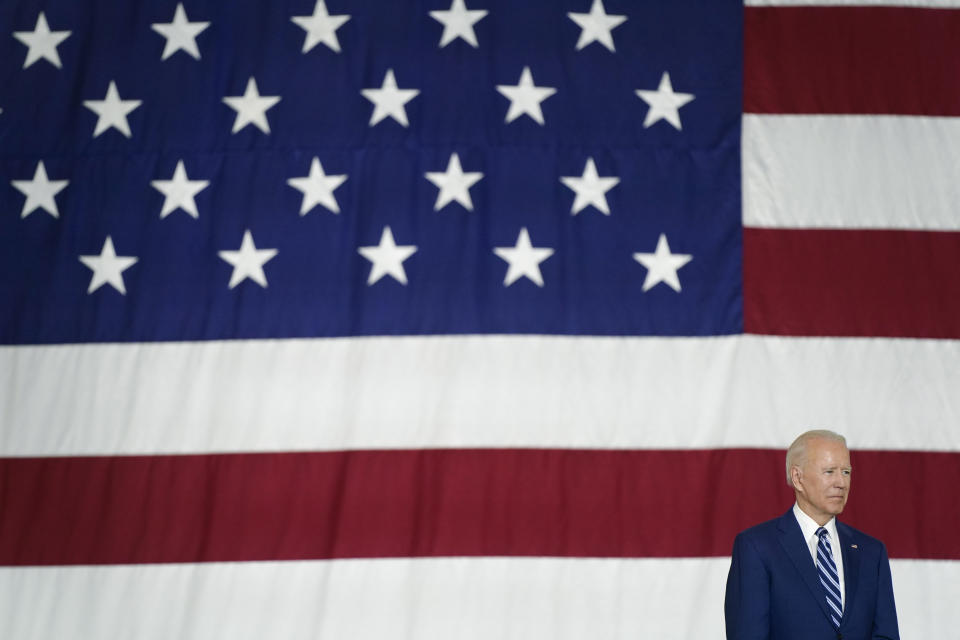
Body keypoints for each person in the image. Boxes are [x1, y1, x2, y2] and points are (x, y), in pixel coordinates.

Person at [724, 430, 899, 639]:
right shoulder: (757, 548)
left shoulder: (872, 551)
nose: (841, 483)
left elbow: (886, 635)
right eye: (829, 471)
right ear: (798, 478)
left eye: (846, 472)